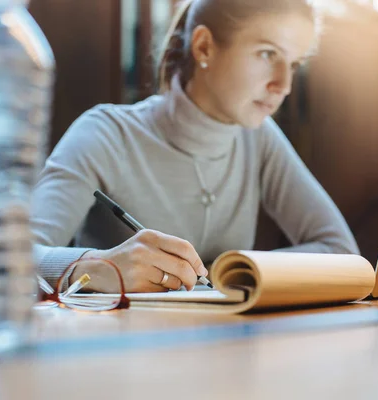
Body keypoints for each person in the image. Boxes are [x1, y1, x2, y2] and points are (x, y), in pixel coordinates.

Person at [31, 0, 360, 294]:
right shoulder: (105, 134)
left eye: (293, 64)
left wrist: (230, 269)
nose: (283, 86)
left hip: (220, 348)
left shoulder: (258, 136)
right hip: (117, 352)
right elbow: (10, 259)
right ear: (204, 47)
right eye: (267, 54)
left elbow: (342, 253)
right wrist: (97, 267)